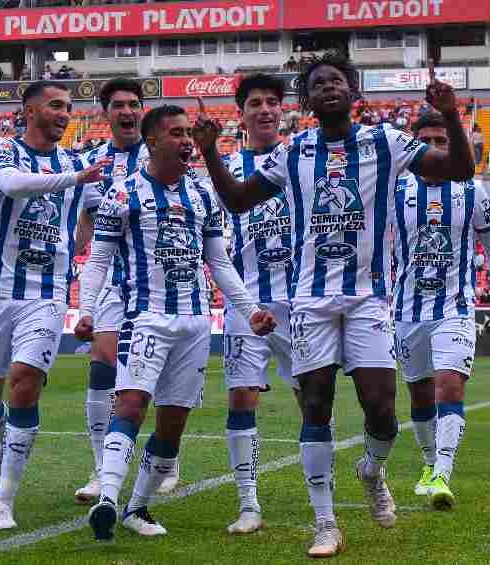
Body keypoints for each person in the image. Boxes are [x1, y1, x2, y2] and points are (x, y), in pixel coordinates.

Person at [192, 52, 475, 557]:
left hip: (369, 299)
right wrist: (211, 152)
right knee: (316, 405)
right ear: (308, 99)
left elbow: (458, 167)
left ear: (353, 92)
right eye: (318, 83)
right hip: (311, 300)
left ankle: (372, 470)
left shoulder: (384, 141)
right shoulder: (294, 152)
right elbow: (236, 200)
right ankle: (325, 523)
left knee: (382, 412)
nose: (328, 88)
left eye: (337, 81)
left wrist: (450, 114)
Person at [74, 104, 276, 543]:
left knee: (173, 422)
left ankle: (137, 507)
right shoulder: (124, 194)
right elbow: (99, 260)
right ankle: (108, 498)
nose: (187, 141)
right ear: (152, 141)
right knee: (130, 404)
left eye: (189, 133)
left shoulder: (203, 195)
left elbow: (219, 263)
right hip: (145, 317)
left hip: (195, 323)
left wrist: (249, 310)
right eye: (177, 133)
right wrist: (86, 310)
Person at [0, 81, 109, 531]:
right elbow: (12, 185)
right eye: (56, 105)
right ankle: (2, 436)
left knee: (25, 381)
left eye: (69, 107)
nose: (66, 113)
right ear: (30, 110)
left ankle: (4, 500)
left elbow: (96, 219)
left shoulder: (77, 163)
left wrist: (76, 242)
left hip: (46, 294)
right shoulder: (0, 150)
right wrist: (75, 179)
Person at [392, 111, 490, 511]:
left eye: (441, 141)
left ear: (453, 145)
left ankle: (443, 473)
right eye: (426, 141)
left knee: (451, 385)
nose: (434, 148)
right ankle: (429, 465)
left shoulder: (471, 190)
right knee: (420, 393)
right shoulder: (395, 189)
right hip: (406, 310)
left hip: (455, 306)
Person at [214, 74, 300, 535]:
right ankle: (248, 504)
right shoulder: (226, 169)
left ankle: (318, 490)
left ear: (282, 110)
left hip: (303, 301)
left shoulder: (303, 160)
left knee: (314, 401)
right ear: (241, 114)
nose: (264, 109)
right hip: (248, 301)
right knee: (242, 397)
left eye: (272, 102)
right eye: (254, 103)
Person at [71, 78, 160, 505]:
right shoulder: (89, 163)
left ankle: (164, 459)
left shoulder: (159, 153)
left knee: (148, 373)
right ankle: (100, 467)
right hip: (109, 278)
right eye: (119, 105)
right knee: (103, 364)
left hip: (155, 278)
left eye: (134, 104)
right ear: (105, 113)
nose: (128, 111)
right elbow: (86, 225)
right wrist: (66, 252)